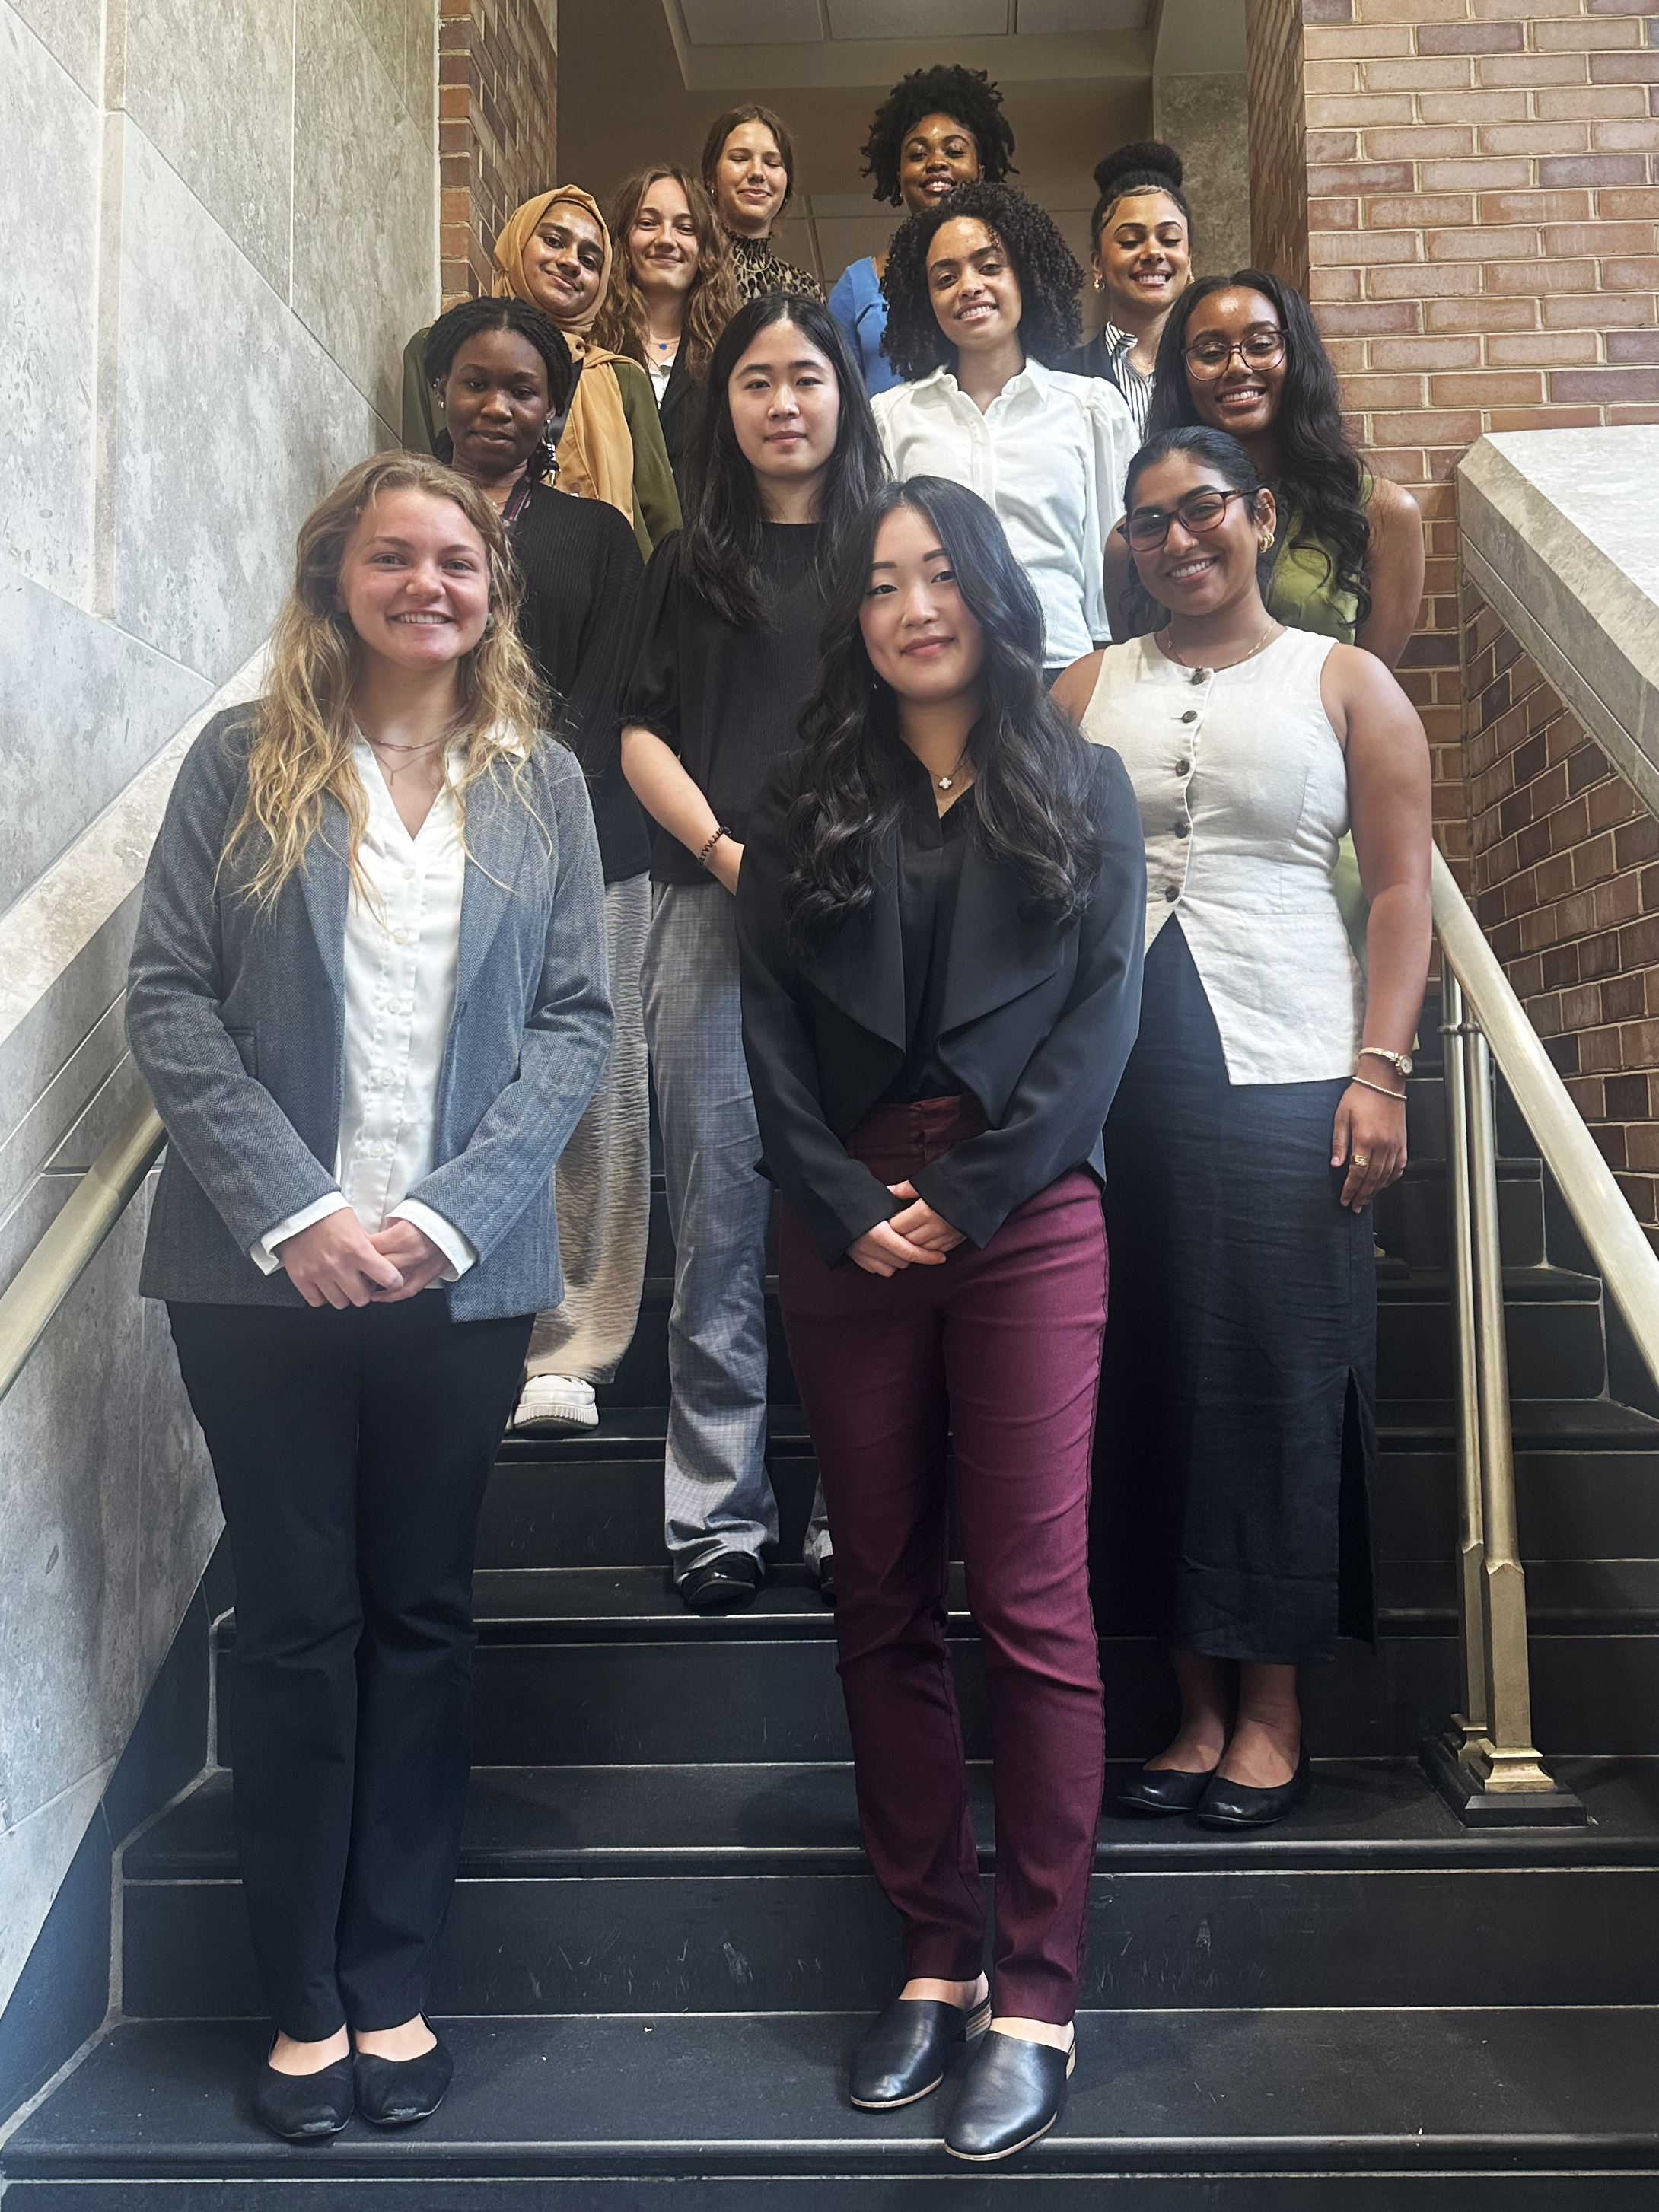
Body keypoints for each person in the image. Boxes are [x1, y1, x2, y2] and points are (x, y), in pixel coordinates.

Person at [126, 453, 610, 2138]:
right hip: (263, 1283)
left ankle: (393, 1973)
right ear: (339, 576)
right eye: (395, 555)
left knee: (421, 1618)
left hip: (455, 1287)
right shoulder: (240, 761)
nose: (430, 583)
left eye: (458, 560)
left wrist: (455, 1216)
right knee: (297, 1621)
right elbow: (167, 995)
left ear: (492, 590)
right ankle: (302, 2003)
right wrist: (304, 1211)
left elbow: (575, 1024)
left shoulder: (543, 781)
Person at [737, 477, 1144, 2161]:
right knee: (882, 1589)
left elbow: (1105, 1012)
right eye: (881, 580)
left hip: (1024, 1205)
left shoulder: (1083, 786)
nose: (912, 604)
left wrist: (966, 1195)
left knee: (1035, 1594)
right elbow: (761, 1031)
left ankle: (1036, 1984)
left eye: (938, 575)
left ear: (989, 592)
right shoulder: (806, 798)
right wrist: (847, 1202)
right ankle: (932, 1953)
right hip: (845, 1217)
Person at [1052, 426, 1432, 1830]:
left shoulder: (1346, 680)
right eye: (1146, 524)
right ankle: (1191, 1705)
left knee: (1273, 1366)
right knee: (1142, 1367)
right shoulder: (1085, 687)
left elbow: (1399, 892)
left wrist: (1379, 1067)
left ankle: (1271, 1708)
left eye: (1201, 510)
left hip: (1284, 1057)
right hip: (1110, 1067)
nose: (1176, 540)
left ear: (1262, 516)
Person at [619, 294, 884, 1611]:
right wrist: (734, 855)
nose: (784, 402)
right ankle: (717, 1511)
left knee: (855, 1220)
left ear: (846, 394)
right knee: (720, 1219)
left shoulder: (895, 553)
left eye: (808, 377)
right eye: (756, 381)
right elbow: (640, 734)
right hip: (711, 910)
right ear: (721, 408)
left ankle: (857, 1502)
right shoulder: (687, 563)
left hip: (871, 926)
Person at [422, 297, 651, 1433]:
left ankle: (573, 1345)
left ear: (554, 408)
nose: (499, 405)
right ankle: (456, 1308)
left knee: (587, 1094)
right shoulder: (403, 522)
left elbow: (605, 701)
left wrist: (537, 818)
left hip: (579, 843)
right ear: (440, 395)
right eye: (477, 382)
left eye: (522, 388)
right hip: (421, 840)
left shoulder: (597, 535)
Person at [873, 181, 1135, 680]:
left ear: (1026, 278)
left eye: (990, 266)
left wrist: (1105, 675)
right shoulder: (891, 418)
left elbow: (1115, 564)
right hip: (941, 672)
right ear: (924, 300)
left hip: (1066, 668)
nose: (969, 286)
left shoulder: (1091, 408)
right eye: (945, 277)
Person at [1112, 268, 1425, 667]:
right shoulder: (1132, 544)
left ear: (1295, 357)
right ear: (1180, 375)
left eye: (1261, 345)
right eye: (1210, 353)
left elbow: (1373, 694)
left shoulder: (1381, 512)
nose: (1237, 367)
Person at [403, 187, 680, 558]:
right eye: (553, 241)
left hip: (600, 584)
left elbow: (663, 527)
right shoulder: (436, 349)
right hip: (459, 565)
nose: (570, 262)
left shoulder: (621, 379)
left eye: (590, 259)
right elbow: (417, 476)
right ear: (517, 244)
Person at [827, 65, 1015, 398]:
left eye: (954, 151)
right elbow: (836, 406)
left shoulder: (1014, 267)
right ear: (899, 178)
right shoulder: (856, 286)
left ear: (980, 172)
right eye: (918, 154)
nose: (936, 162)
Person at [594, 164, 741, 498]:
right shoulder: (591, 349)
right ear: (622, 239)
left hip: (704, 546)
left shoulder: (733, 356)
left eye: (685, 228)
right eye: (647, 224)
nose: (665, 239)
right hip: (611, 542)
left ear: (705, 250)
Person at [1060, 139, 1193, 438]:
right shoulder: (1059, 377)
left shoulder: (1214, 370)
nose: (1153, 253)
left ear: (1189, 258)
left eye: (1170, 239)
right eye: (1130, 241)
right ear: (1097, 263)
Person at [701, 103, 824, 304]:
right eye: (740, 159)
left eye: (772, 163)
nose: (757, 173)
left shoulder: (805, 291)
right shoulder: (687, 271)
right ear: (710, 176)